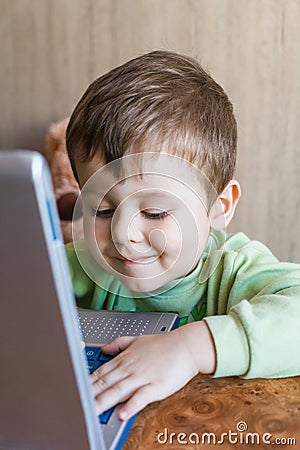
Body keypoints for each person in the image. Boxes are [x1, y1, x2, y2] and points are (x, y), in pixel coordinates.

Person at [65, 50, 300, 421]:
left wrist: (191, 349)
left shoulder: (233, 269)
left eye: (154, 212)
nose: (123, 236)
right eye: (103, 210)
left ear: (219, 207)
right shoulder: (89, 259)